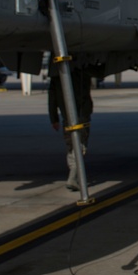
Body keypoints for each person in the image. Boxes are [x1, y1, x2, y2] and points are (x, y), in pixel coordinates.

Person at [48, 63, 93, 191]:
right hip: (81, 115)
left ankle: (74, 175)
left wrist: (54, 118)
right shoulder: (82, 70)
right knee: (80, 145)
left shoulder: (57, 76)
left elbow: (52, 97)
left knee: (71, 146)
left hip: (66, 116)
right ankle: (73, 177)